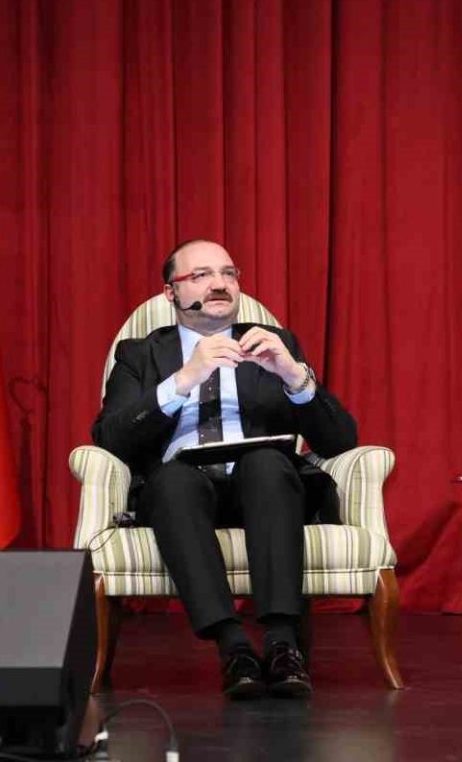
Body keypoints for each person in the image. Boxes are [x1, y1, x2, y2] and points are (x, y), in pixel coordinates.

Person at [91, 239, 358, 699]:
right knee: (174, 479)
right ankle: (233, 647)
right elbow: (110, 437)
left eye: (228, 273)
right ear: (171, 292)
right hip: (181, 497)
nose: (219, 284)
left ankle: (282, 644)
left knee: (267, 464)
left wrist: (293, 375)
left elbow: (340, 440)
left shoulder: (274, 344)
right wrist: (181, 381)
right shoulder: (141, 354)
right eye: (201, 275)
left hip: (265, 490)